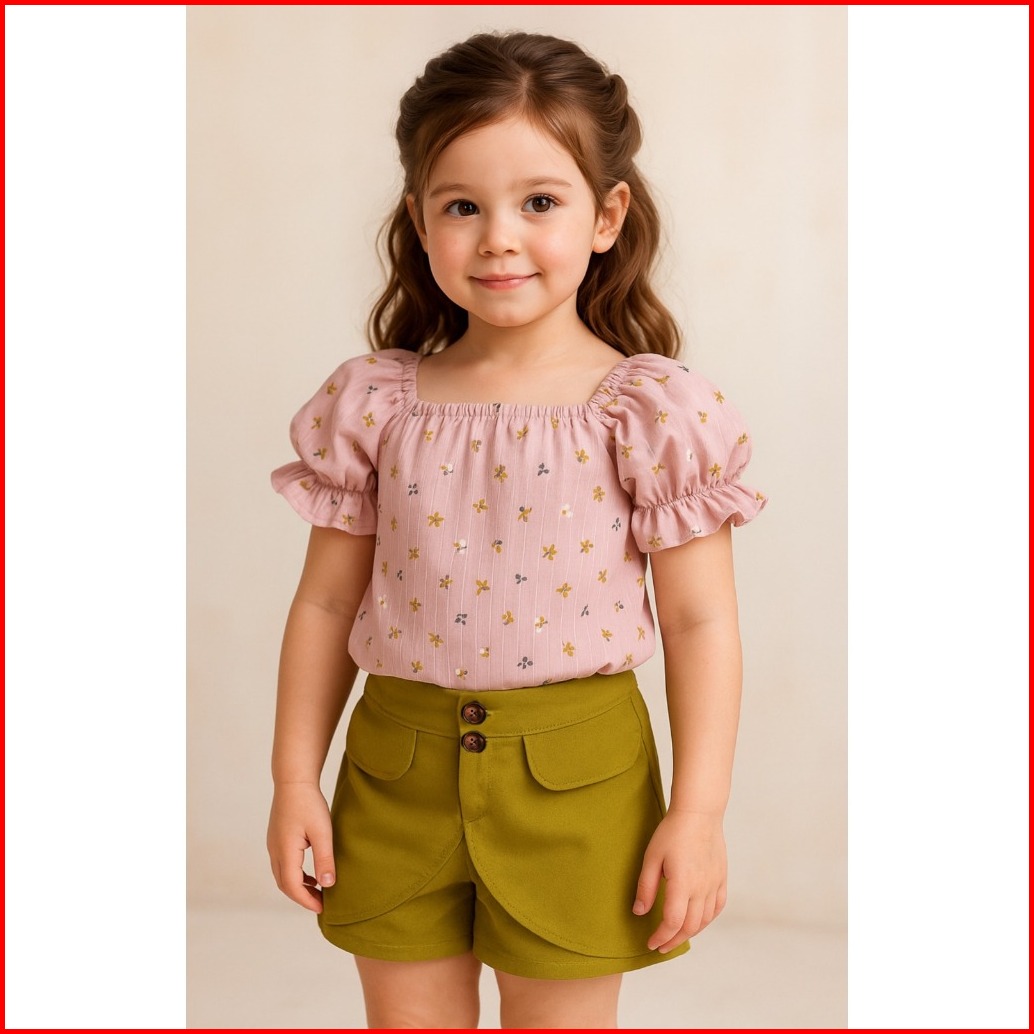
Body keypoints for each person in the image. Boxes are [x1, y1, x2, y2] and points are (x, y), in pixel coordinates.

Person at [267, 30, 766, 1029]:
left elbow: (700, 622)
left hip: (581, 788)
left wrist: (698, 811)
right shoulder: (375, 403)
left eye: (539, 201)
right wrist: (293, 779)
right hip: (394, 776)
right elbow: (324, 603)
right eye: (462, 206)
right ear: (419, 219)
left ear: (605, 216)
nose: (498, 237)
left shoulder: (650, 411)